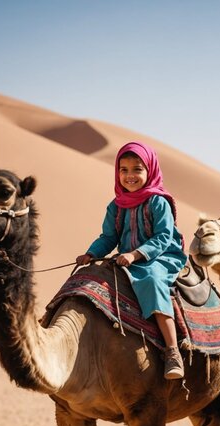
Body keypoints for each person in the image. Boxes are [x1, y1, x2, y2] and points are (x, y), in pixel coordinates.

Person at [77, 141, 187, 379]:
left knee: (151, 278)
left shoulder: (158, 201)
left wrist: (135, 254)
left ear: (150, 170)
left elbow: (163, 237)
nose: (130, 176)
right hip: (128, 258)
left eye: (137, 169)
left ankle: (172, 351)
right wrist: (91, 253)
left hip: (162, 255)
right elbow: (109, 237)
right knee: (87, 275)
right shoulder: (116, 206)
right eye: (123, 170)